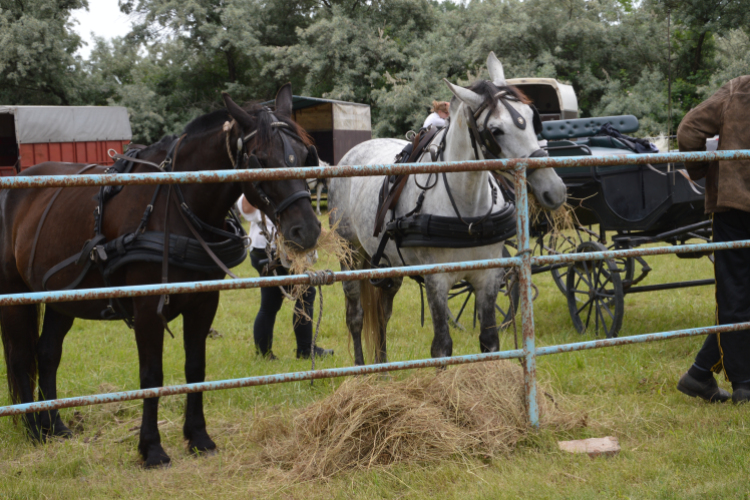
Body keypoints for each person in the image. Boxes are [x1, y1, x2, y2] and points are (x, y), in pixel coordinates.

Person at [676, 75, 750, 404]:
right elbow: (688, 132)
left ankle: (700, 374)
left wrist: (699, 170)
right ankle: (744, 385)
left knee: (737, 292)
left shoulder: (739, 88)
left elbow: (689, 130)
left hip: (734, 205)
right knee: (737, 294)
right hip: (735, 207)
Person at [236, 194, 333, 360]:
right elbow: (245, 207)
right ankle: (304, 350)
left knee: (270, 302)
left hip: (264, 248)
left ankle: (264, 354)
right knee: (305, 292)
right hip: (274, 250)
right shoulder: (268, 183)